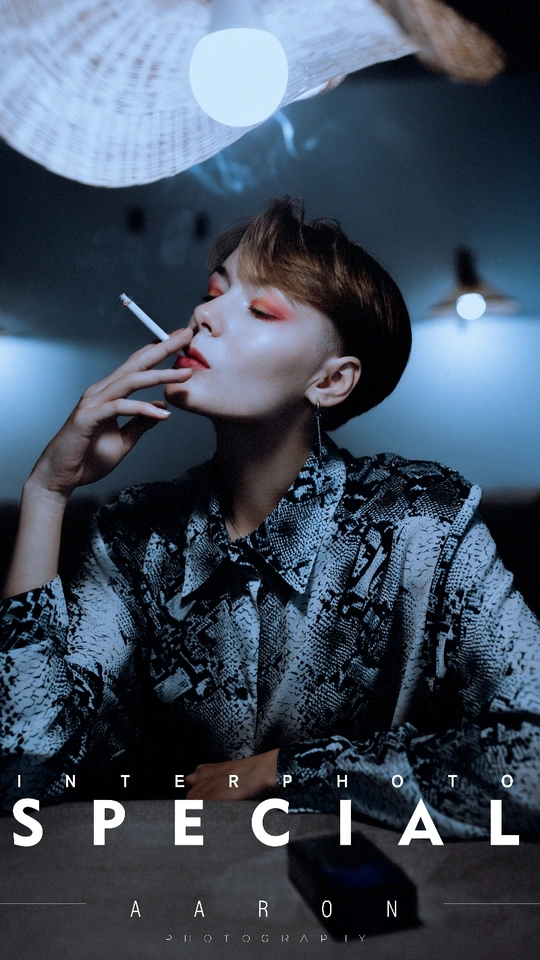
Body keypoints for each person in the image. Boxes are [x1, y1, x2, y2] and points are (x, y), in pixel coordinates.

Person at [1, 197, 539, 837]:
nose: (203, 316)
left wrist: (284, 770)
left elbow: (531, 765)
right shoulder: (133, 537)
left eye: (260, 310)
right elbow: (24, 773)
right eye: (212, 293)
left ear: (331, 382)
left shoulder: (426, 523)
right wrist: (46, 494)